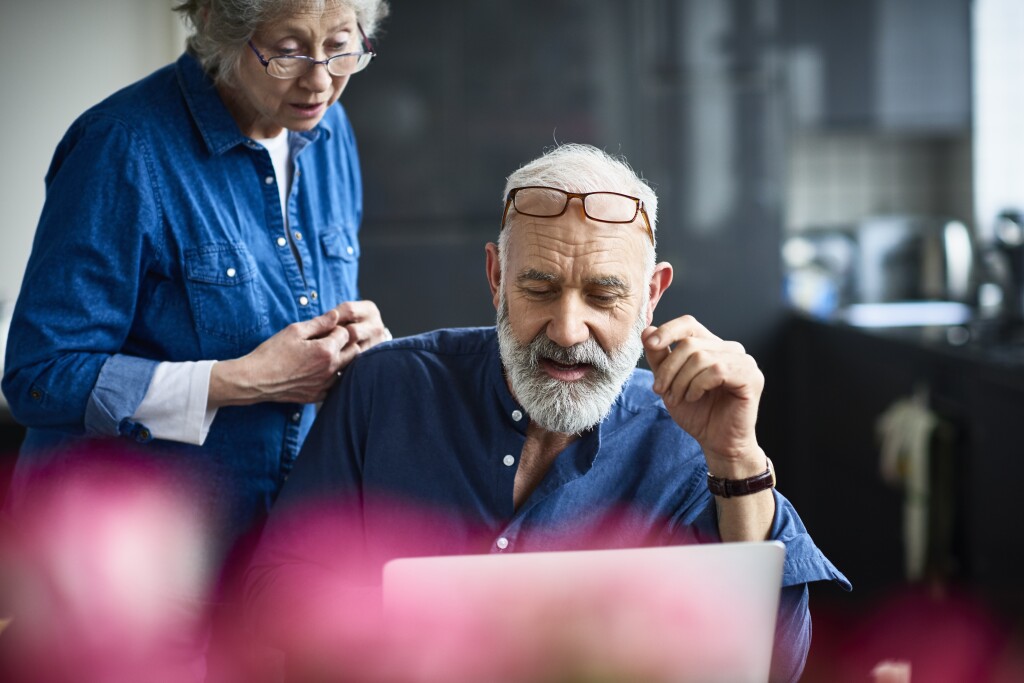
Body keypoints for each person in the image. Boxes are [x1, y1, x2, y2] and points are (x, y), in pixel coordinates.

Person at [244, 143, 850, 683]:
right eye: (538, 289)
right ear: (496, 278)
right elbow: (273, 591)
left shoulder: (687, 436)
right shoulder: (385, 389)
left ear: (651, 296)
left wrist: (736, 457)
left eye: (604, 295)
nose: (567, 329)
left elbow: (776, 662)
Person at [1, 0, 391, 563]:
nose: (320, 82)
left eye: (340, 48)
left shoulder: (331, 130)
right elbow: (40, 377)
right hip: (136, 560)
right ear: (216, 23)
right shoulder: (121, 146)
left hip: (276, 546)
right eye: (287, 52)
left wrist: (360, 347)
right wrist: (237, 381)